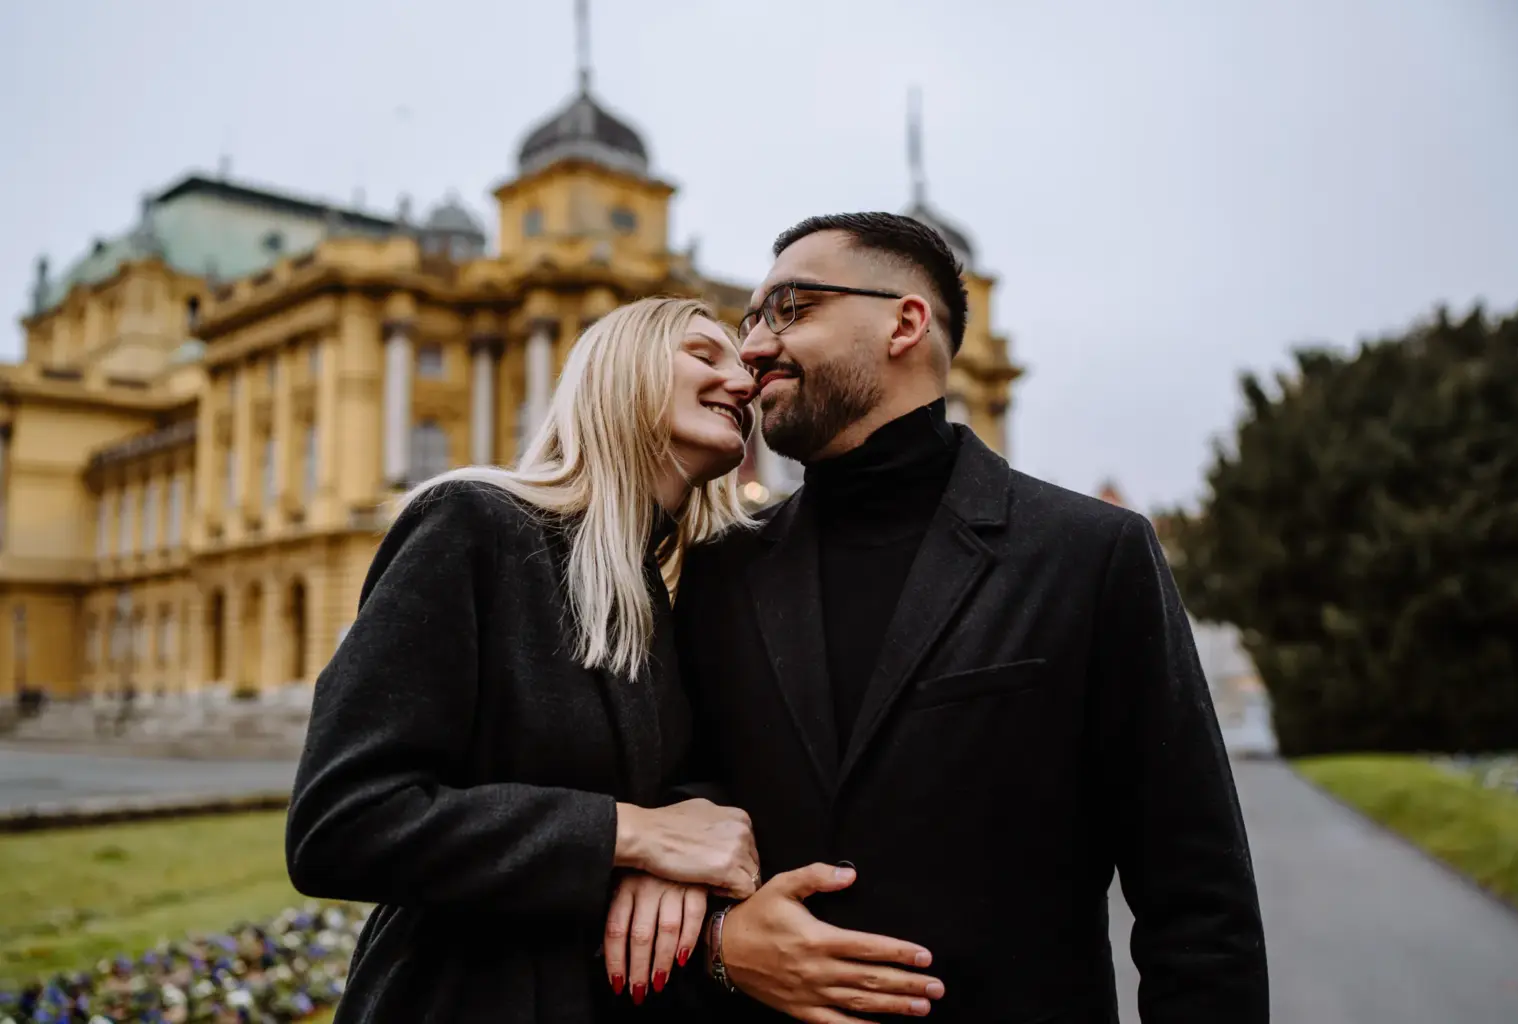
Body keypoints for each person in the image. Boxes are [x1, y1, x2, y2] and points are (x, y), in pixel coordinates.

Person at [667, 213, 1269, 1022]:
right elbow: (677, 817)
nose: (754, 348)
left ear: (905, 322)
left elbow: (1198, 900)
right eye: (751, 321)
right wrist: (721, 940)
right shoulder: (719, 570)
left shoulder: (1090, 554)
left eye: (791, 309)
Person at [285, 297, 765, 1022]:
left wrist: (682, 832)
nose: (744, 381)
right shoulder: (474, 523)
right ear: (622, 372)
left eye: (743, 364)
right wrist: (629, 835)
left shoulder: (661, 589)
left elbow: (669, 783)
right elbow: (342, 822)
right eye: (705, 354)